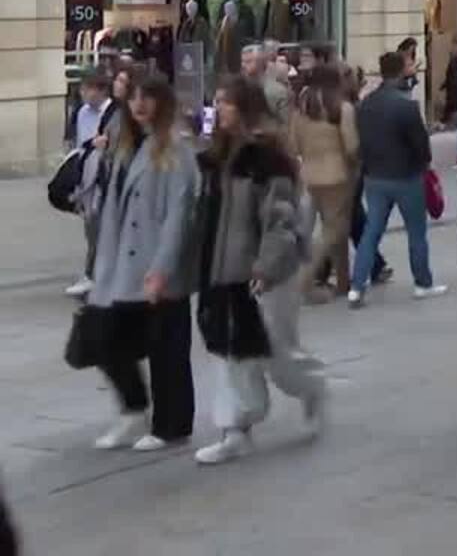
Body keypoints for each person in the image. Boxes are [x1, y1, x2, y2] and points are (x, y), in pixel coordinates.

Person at [193, 77, 327, 465]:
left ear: (247, 107)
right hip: (222, 271)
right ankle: (235, 428)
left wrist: (267, 265)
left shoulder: (267, 159)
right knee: (229, 351)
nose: (220, 109)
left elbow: (281, 220)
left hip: (265, 273)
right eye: (217, 101)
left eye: (227, 102)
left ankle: (311, 388)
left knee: (277, 353)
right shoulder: (215, 157)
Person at [85, 75, 201, 452]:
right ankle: (134, 409)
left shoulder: (175, 149)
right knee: (107, 340)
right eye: (133, 96)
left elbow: (178, 215)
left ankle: (171, 424)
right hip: (120, 264)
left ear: (162, 103)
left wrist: (162, 269)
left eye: (148, 97)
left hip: (155, 266)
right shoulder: (126, 145)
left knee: (168, 348)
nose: (139, 104)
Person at [349, 51, 444, 308]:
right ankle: (422, 283)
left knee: (372, 231)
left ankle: (357, 286)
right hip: (406, 176)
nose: (413, 67)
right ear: (401, 70)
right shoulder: (406, 105)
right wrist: (425, 165)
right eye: (410, 64)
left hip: (375, 176)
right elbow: (421, 145)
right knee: (416, 231)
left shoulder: (366, 103)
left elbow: (362, 140)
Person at [289, 63, 359, 302]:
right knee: (333, 230)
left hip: (309, 174)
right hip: (338, 175)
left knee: (338, 228)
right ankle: (303, 281)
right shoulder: (342, 108)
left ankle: (343, 281)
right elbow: (351, 146)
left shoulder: (301, 109)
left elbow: (294, 145)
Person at [65, 71, 120, 298]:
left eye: (88, 89)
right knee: (91, 227)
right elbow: (77, 143)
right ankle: (96, 274)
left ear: (101, 90)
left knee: (100, 228)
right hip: (86, 175)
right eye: (83, 89)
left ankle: (95, 275)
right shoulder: (80, 112)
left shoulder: (114, 112)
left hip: (105, 177)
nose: (84, 93)